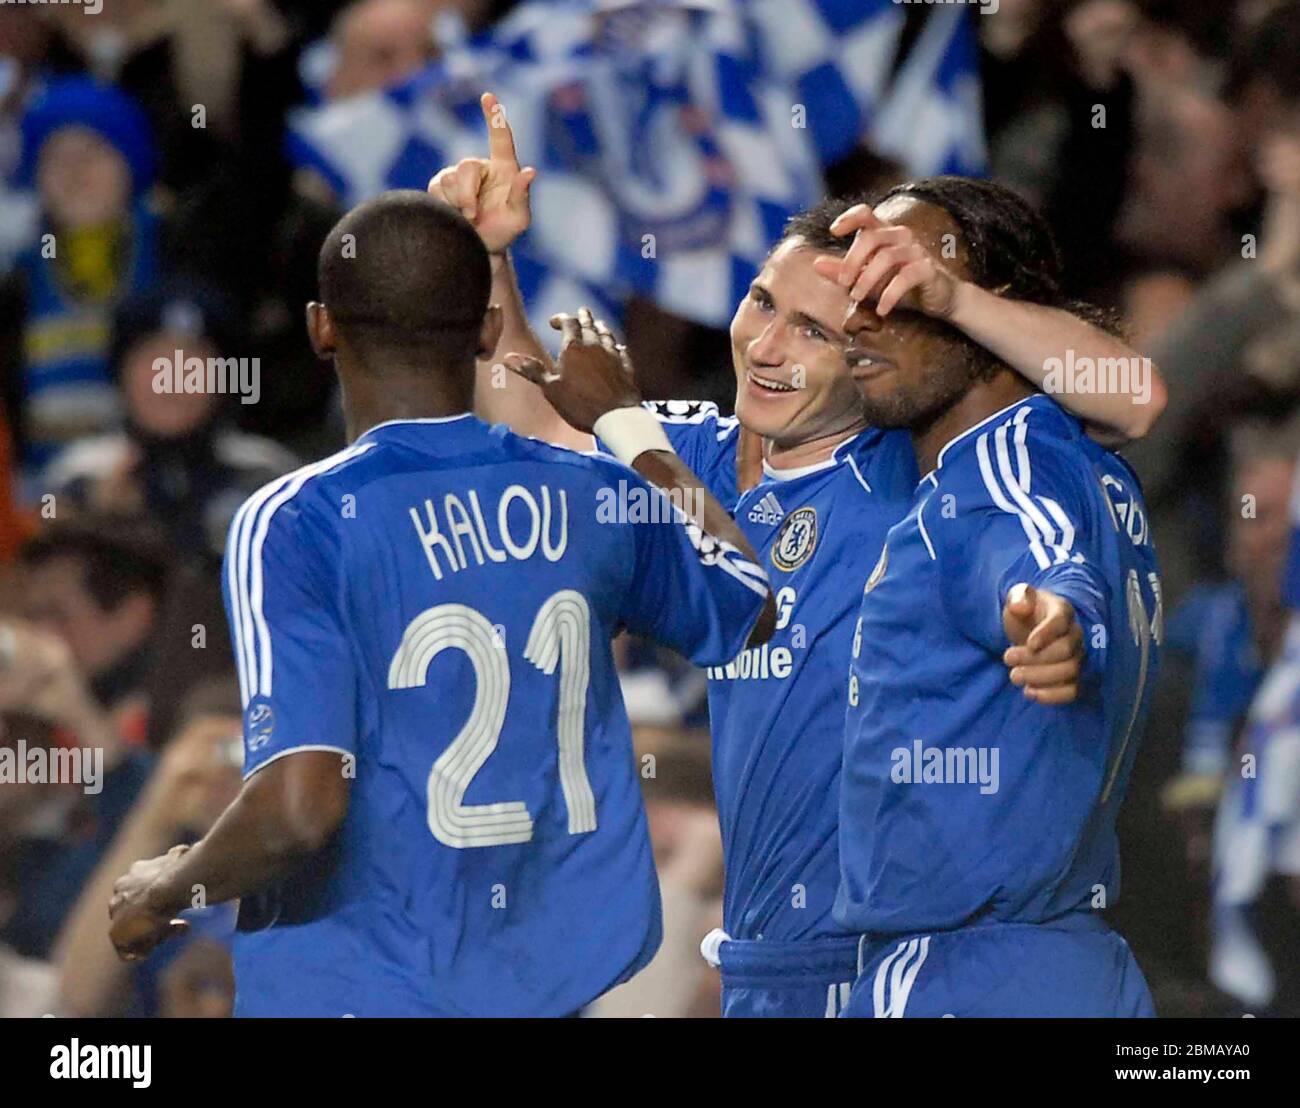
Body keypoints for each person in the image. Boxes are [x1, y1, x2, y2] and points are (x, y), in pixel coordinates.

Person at [451, 94, 1166, 1016]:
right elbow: (540, 417)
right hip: (760, 962)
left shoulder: (911, 462)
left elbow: (1132, 399)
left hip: (882, 959)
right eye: (762, 302)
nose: (768, 347)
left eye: (818, 331)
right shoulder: (702, 454)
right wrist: (490, 257)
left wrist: (959, 301)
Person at [106, 189, 775, 1017]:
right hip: (553, 991)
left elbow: (299, 807)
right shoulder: (592, 492)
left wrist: (165, 885)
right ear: (487, 331)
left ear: (322, 327)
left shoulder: (298, 520)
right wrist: (628, 426)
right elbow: (752, 604)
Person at [833, 178, 1162, 1017]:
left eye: (895, 290)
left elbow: (1041, 563)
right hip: (1073, 963)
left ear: (990, 308)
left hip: (962, 969)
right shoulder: (1085, 462)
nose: (858, 321)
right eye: (853, 295)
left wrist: (1058, 616)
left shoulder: (993, 474)